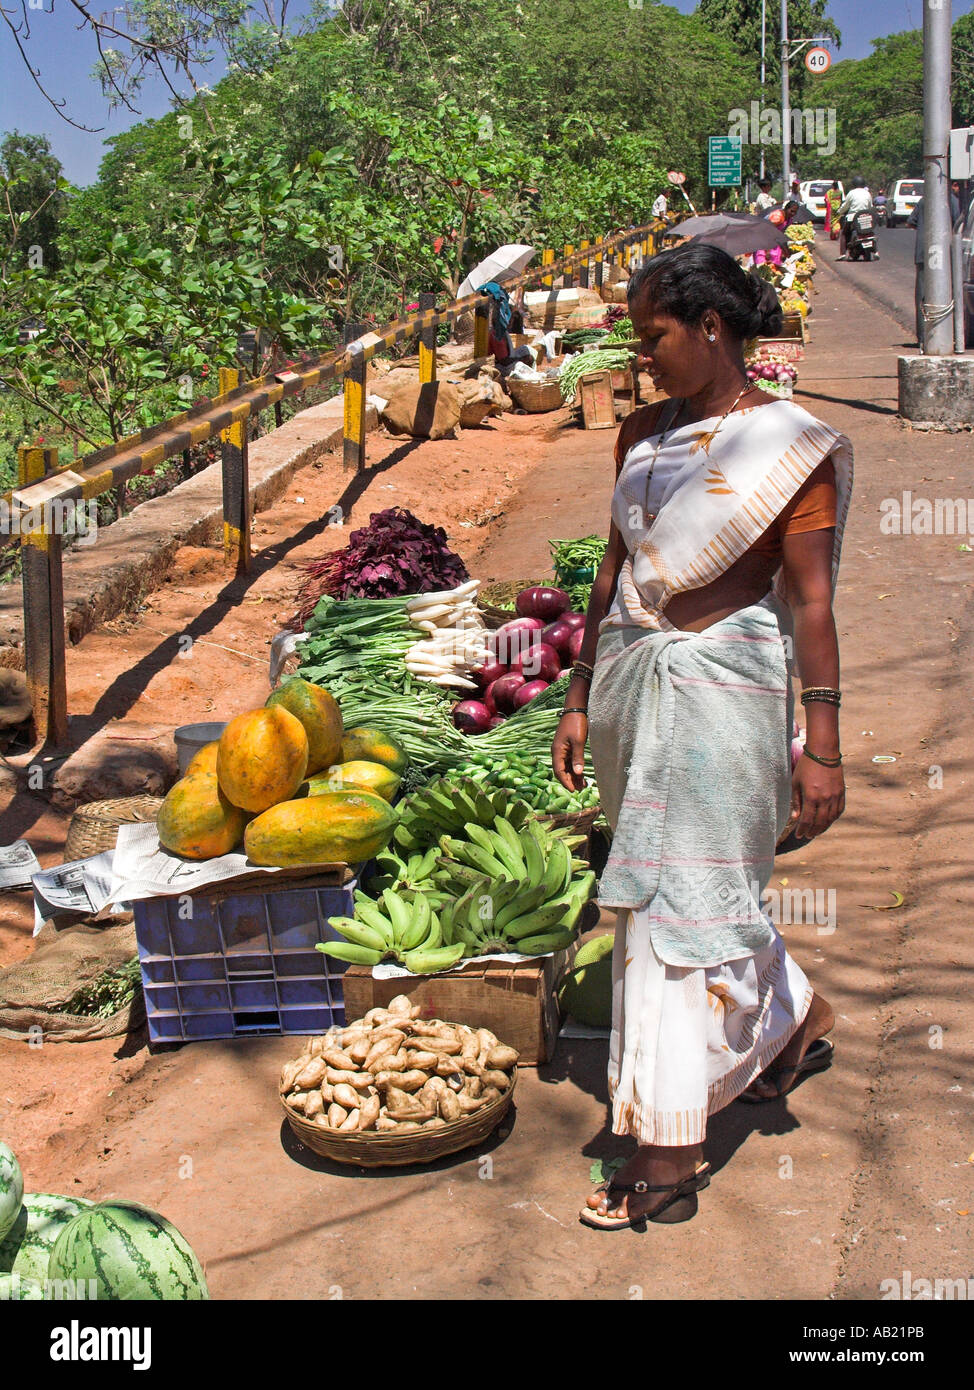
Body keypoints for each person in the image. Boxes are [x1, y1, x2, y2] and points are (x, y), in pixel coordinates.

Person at [551, 242, 852, 1229]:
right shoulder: (638, 433)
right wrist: (578, 689)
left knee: (669, 916)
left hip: (724, 690)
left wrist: (823, 741)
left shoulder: (788, 445)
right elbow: (611, 563)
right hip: (636, 687)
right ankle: (792, 1015)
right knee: (689, 890)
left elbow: (809, 600)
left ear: (711, 328)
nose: (640, 359)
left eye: (653, 337)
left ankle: (665, 1144)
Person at [908, 186, 963, 351]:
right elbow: (957, 227)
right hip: (944, 256)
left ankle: (923, 338)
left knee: (923, 296)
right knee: (947, 294)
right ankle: (946, 335)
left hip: (923, 253)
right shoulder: (951, 201)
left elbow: (911, 221)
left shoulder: (925, 199)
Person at [835, 176, 873, 259]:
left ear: (854, 184)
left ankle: (843, 254)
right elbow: (870, 207)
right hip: (865, 217)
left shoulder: (851, 193)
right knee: (870, 232)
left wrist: (839, 211)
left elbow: (845, 206)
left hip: (852, 218)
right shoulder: (867, 193)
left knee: (844, 234)